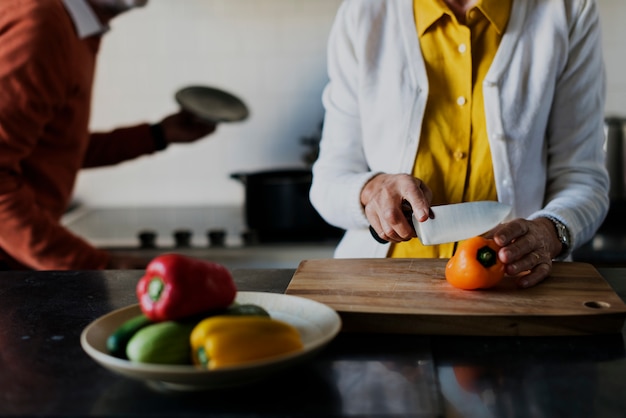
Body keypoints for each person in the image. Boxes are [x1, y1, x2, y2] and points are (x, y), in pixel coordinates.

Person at [310, 0, 609, 288]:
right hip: (382, 288)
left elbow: (583, 178)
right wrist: (372, 189)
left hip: (516, 289)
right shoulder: (362, 13)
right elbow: (328, 181)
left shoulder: (569, 9)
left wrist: (550, 231)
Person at [0, 0, 217, 270]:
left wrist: (158, 135)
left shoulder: (70, 28)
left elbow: (55, 149)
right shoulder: (42, 25)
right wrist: (95, 265)